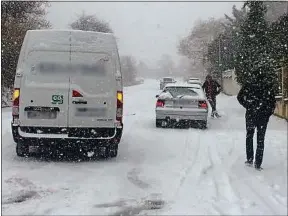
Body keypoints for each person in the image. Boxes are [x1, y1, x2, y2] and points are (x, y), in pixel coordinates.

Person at [237, 75, 276, 171]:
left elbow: (239, 97)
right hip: (262, 116)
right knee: (260, 139)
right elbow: (272, 102)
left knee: (249, 136)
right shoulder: (267, 86)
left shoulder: (249, 84)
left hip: (251, 115)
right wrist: (268, 113)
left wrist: (248, 106)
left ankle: (250, 159)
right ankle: (258, 163)